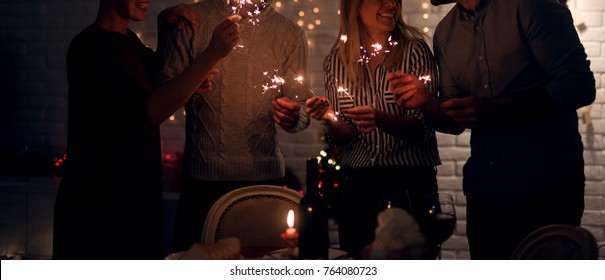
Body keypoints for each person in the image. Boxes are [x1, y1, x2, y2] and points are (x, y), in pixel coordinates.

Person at [387, 0, 595, 259]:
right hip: (485, 197)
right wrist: (427, 102)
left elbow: (580, 86)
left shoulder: (531, 6)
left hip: (547, 189)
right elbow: (453, 122)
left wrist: (496, 107)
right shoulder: (445, 32)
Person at [53, 0, 241, 259]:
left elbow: (163, 83)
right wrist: (213, 53)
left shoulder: (130, 42)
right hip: (98, 208)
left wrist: (164, 28)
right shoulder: (90, 47)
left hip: (136, 201)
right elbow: (153, 110)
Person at [156, 0, 314, 253]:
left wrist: (296, 116)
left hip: (265, 183)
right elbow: (161, 97)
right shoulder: (191, 20)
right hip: (202, 182)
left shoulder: (289, 32)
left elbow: (302, 104)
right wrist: (190, 84)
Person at [305, 0, 441, 259]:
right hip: (358, 188)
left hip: (410, 184)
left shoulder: (414, 51)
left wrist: (380, 119)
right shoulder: (337, 61)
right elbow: (348, 139)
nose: (391, 4)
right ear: (355, 5)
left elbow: (423, 128)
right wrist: (330, 116)